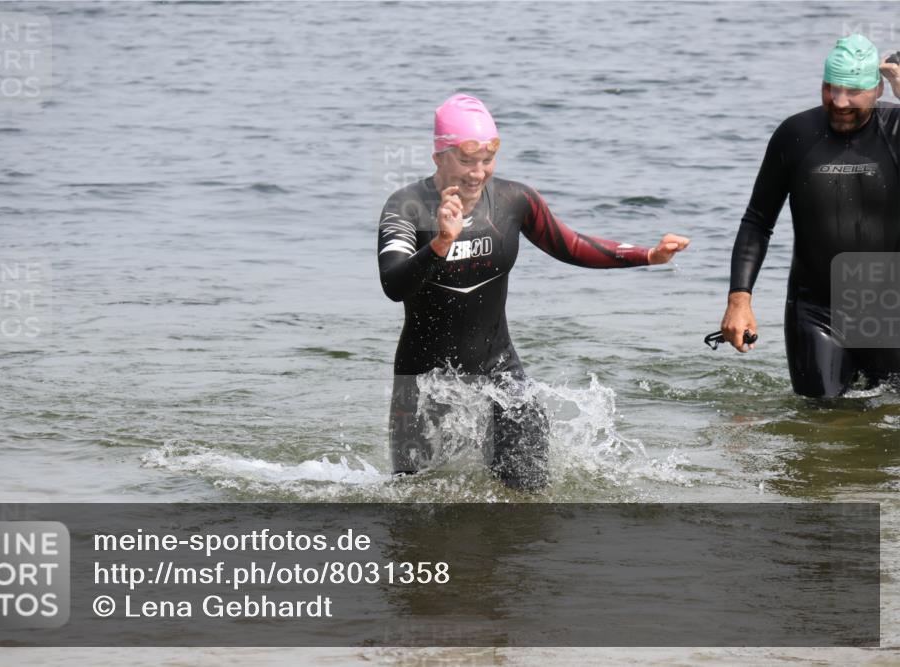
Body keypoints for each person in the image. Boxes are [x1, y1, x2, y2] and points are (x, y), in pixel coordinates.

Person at [377, 93, 690, 491]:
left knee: (531, 497)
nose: (477, 173)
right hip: (424, 383)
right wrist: (439, 243)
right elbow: (393, 282)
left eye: (487, 160)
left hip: (499, 375)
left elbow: (571, 245)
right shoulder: (406, 207)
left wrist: (648, 254)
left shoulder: (513, 200)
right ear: (439, 156)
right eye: (466, 160)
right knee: (415, 513)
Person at [719, 34, 900, 398]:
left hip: (888, 308)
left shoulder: (896, 130)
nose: (840, 102)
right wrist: (739, 300)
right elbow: (757, 221)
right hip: (816, 310)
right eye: (831, 89)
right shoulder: (795, 134)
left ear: (878, 90)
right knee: (820, 426)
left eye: (853, 92)